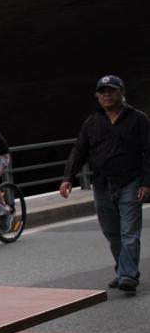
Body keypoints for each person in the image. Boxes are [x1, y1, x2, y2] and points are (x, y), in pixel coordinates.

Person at [59, 75, 150, 294]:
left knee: (130, 232)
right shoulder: (92, 122)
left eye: (111, 90)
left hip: (130, 182)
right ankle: (123, 270)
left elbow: (149, 152)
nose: (107, 95)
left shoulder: (138, 119)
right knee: (112, 232)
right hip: (102, 184)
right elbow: (79, 151)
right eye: (102, 92)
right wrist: (67, 178)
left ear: (122, 92)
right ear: (97, 97)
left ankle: (128, 276)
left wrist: (147, 182)